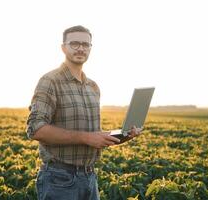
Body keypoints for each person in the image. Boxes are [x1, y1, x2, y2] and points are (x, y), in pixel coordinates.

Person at [26, 25, 140, 200]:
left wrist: (123, 135)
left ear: (90, 48)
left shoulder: (92, 86)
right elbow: (35, 128)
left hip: (89, 178)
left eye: (86, 44)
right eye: (75, 43)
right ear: (63, 48)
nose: (81, 48)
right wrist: (86, 138)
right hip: (60, 180)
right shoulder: (50, 81)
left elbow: (93, 135)